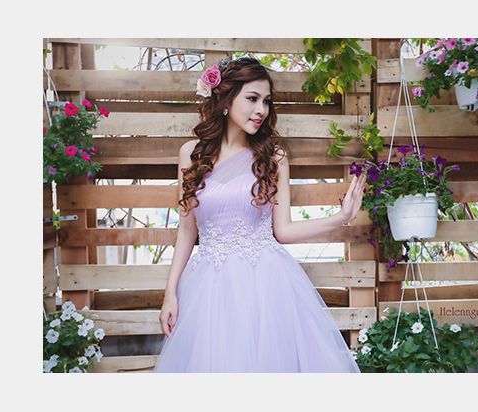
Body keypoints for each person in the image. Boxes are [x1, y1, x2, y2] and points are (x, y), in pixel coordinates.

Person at [153, 57, 364, 373]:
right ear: (226, 99)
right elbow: (187, 230)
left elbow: (284, 231)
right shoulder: (191, 154)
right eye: (252, 99)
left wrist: (340, 217)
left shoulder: (273, 157)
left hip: (265, 283)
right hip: (210, 287)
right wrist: (170, 293)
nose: (261, 110)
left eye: (266, 101)